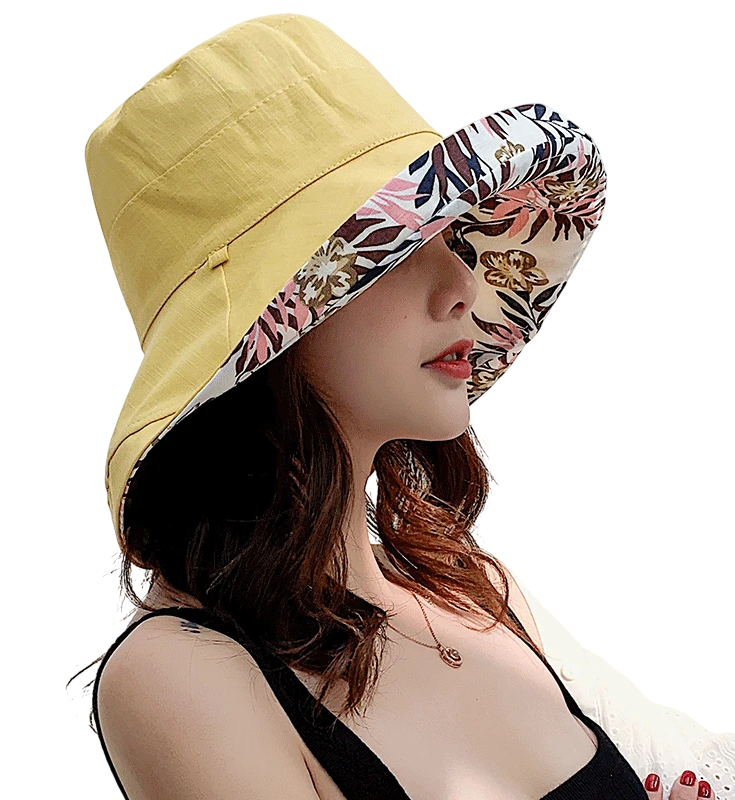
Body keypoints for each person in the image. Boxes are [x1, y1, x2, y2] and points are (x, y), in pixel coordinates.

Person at [71, 12, 733, 800]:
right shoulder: (180, 674)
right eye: (391, 249)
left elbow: (697, 764)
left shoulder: (477, 591)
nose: (463, 287)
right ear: (269, 330)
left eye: (450, 237)